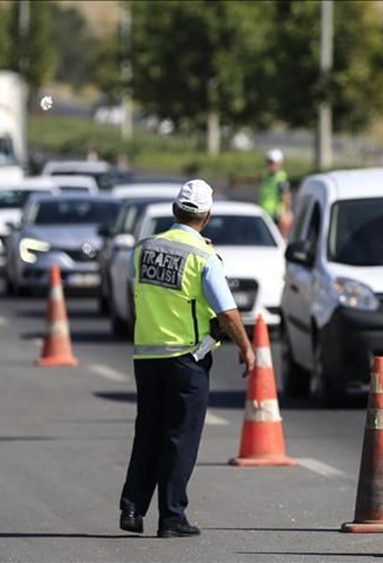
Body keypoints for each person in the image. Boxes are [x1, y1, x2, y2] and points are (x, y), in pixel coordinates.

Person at [119, 179, 256, 538]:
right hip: (185, 357)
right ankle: (171, 516)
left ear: (174, 210)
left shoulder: (144, 248)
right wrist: (246, 347)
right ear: (206, 216)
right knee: (180, 437)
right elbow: (226, 312)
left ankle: (132, 508)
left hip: (146, 355)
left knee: (147, 432)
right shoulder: (204, 258)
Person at [259, 149, 292, 234]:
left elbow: (286, 195)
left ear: (279, 164)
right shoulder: (265, 176)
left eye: (272, 163)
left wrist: (287, 213)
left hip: (276, 215)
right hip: (264, 211)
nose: (270, 165)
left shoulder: (281, 178)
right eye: (269, 162)